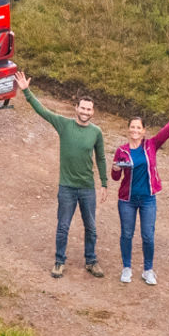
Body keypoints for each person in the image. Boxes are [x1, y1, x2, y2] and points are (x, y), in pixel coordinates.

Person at [19, 73, 107, 278]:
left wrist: (103, 183)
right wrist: (26, 91)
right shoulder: (64, 124)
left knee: (91, 227)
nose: (85, 112)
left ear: (92, 112)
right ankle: (59, 261)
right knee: (63, 227)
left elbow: (101, 158)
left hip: (87, 188)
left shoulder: (96, 132)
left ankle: (91, 260)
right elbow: (43, 111)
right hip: (66, 186)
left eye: (89, 109)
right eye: (82, 108)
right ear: (76, 108)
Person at [111, 97, 169, 285]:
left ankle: (148, 270)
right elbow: (116, 178)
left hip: (148, 199)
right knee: (127, 234)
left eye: (138, 127)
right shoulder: (121, 150)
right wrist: (115, 170)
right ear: (128, 129)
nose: (135, 130)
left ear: (144, 131)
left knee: (148, 236)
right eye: (132, 127)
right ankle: (127, 268)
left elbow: (168, 130)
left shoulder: (151, 145)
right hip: (127, 199)